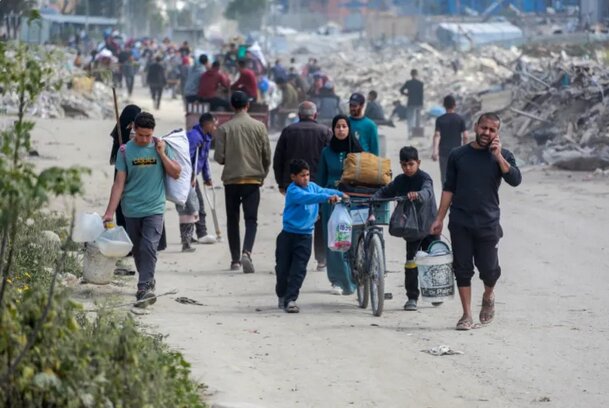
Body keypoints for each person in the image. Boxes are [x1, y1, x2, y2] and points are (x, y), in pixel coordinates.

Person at [430, 112, 522, 330]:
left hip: (488, 222)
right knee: (462, 268)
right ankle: (466, 315)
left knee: (489, 270)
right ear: (475, 127)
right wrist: (439, 218)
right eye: (483, 128)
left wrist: (498, 157)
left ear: (497, 133)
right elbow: (449, 188)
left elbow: (515, 180)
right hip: (460, 221)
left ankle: (488, 295)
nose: (486, 133)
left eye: (492, 130)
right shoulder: (458, 155)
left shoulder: (503, 155)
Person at [103, 112, 182, 307]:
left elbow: (176, 173)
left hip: (154, 208)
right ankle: (147, 280)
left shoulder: (160, 146)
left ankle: (143, 287)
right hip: (131, 209)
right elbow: (119, 184)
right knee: (138, 250)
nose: (145, 139)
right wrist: (109, 212)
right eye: (141, 135)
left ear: (153, 132)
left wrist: (161, 154)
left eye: (148, 135)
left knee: (149, 247)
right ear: (134, 130)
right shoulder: (124, 151)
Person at [372, 146, 438, 311]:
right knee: (410, 262)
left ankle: (435, 292)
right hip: (411, 229)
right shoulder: (400, 180)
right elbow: (386, 191)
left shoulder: (425, 178)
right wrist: (373, 199)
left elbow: (427, 192)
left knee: (432, 261)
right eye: (404, 165)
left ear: (418, 163)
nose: (407, 168)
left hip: (429, 226)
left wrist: (418, 195)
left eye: (411, 164)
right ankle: (412, 298)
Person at [276, 159, 345, 313]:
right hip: (287, 236)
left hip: (305, 237)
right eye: (302, 175)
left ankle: (291, 299)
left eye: (307, 175)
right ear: (293, 177)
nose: (306, 178)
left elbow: (324, 191)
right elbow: (308, 197)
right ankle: (282, 294)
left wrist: (341, 194)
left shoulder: (312, 186)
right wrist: (326, 198)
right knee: (282, 270)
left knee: (299, 270)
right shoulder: (293, 191)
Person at [214, 91, 271, 273]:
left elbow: (219, 158)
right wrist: (262, 174)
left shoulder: (224, 128)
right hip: (252, 180)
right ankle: (247, 252)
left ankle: (235, 260)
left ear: (232, 106)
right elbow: (267, 155)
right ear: (248, 105)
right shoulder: (259, 127)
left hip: (231, 180)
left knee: (233, 220)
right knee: (251, 220)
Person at [273, 101, 332, 271]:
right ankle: (321, 259)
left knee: (295, 217)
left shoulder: (288, 131)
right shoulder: (325, 132)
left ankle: (293, 257)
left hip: (293, 184)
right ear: (315, 115)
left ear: (299, 115)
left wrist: (281, 183)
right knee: (319, 221)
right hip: (317, 184)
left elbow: (278, 159)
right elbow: (330, 158)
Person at [317, 114, 363, 295]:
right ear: (333, 129)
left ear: (349, 129)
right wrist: (319, 205)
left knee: (353, 240)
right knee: (335, 241)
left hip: (353, 200)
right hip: (332, 201)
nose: (341, 130)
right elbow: (320, 180)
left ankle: (355, 277)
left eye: (344, 126)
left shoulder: (358, 152)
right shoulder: (326, 152)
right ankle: (337, 280)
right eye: (338, 126)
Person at [187, 112, 217, 246]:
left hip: (192, 175)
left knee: (190, 205)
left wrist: (207, 177)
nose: (215, 128)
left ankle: (188, 236)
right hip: (187, 175)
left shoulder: (206, 137)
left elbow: (204, 160)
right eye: (214, 125)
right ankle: (202, 234)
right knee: (197, 203)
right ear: (207, 124)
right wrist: (190, 176)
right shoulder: (194, 137)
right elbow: (187, 158)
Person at [432, 95, 468, 185]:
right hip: (457, 152)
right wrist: (465, 150)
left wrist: (435, 151)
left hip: (443, 153)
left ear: (444, 105)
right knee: (457, 175)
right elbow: (465, 136)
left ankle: (445, 192)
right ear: (455, 105)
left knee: (444, 176)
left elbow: (437, 135)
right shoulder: (460, 119)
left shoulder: (440, 119)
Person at [400, 69, 424, 135]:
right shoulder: (420, 83)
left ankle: (410, 132)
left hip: (410, 102)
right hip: (418, 103)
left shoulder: (408, 83)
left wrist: (407, 94)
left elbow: (401, 90)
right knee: (418, 118)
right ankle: (417, 133)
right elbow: (421, 95)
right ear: (417, 74)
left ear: (411, 74)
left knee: (410, 118)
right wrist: (422, 104)